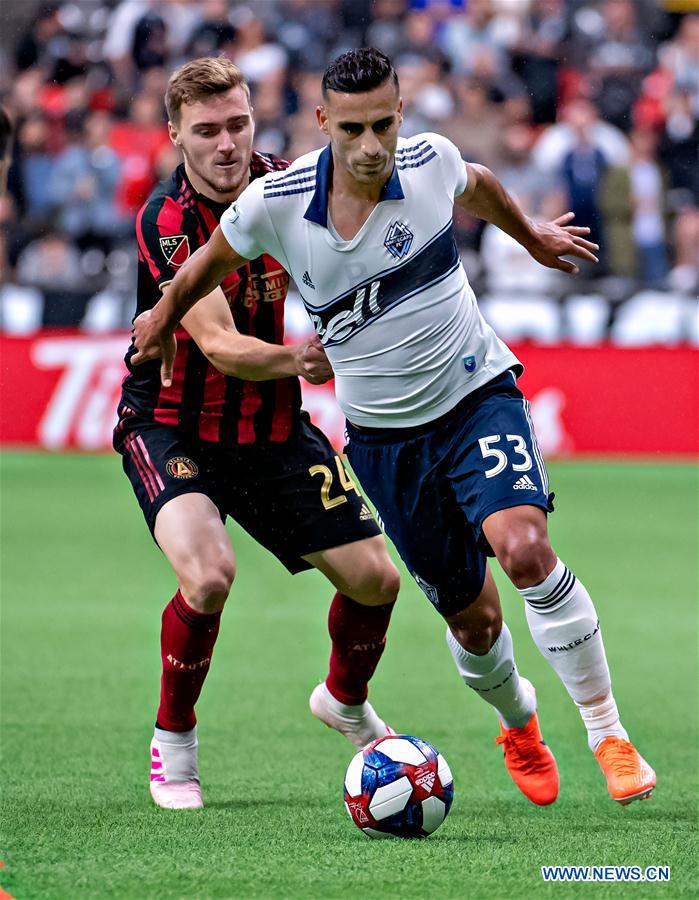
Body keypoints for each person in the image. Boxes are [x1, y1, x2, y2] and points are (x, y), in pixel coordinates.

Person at [132, 49, 655, 807]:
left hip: (474, 394)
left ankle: (607, 732)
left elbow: (475, 182)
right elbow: (205, 276)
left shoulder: (428, 162)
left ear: (401, 116)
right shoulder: (271, 204)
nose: (372, 144)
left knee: (522, 546)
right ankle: (518, 721)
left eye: (383, 123)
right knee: (473, 624)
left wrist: (531, 235)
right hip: (352, 438)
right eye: (353, 129)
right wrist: (162, 322)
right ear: (324, 124)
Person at [114, 57, 401, 811]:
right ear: (175, 134)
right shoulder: (167, 222)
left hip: (271, 429)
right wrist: (302, 357)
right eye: (205, 130)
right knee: (207, 577)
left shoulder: (291, 186)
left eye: (237, 124)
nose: (226, 144)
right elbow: (217, 343)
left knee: (378, 580)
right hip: (173, 426)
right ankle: (173, 739)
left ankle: (342, 699)